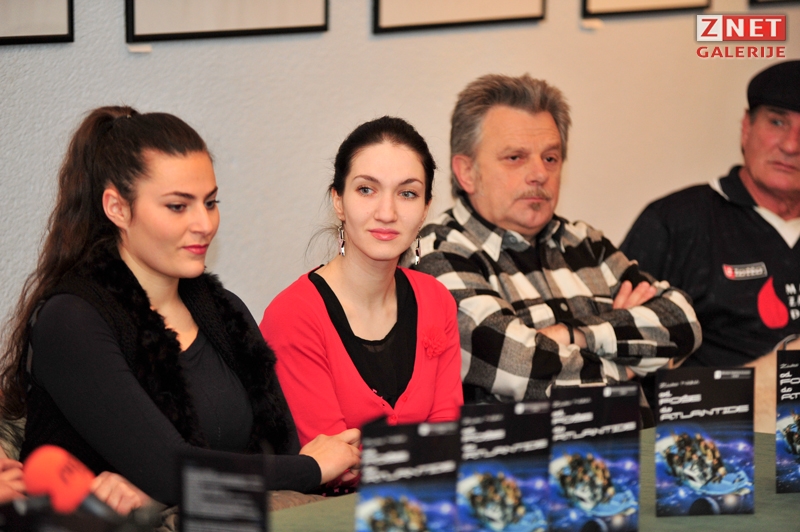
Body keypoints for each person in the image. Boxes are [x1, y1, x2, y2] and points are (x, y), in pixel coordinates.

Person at [0, 106, 360, 512]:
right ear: (117, 208)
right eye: (178, 206)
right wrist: (311, 468)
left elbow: (274, 450)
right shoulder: (71, 321)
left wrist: (162, 490)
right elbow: (170, 470)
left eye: (210, 202)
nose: (204, 224)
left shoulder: (224, 311)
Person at [416, 74, 701, 405]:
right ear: (467, 172)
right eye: (515, 157)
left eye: (550, 158)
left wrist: (573, 334)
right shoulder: (437, 253)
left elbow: (684, 323)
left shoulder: (585, 242)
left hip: (635, 439)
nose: (540, 174)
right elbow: (519, 369)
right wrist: (629, 364)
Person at [260, 117, 463, 457]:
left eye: (407, 193)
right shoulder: (293, 316)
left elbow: (447, 434)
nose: (387, 212)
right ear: (338, 201)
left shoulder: (436, 300)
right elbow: (331, 464)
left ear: (425, 209)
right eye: (367, 189)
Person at [621, 60, 800, 432]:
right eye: (777, 122)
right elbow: (620, 360)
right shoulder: (677, 222)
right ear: (746, 127)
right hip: (711, 441)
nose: (791, 145)